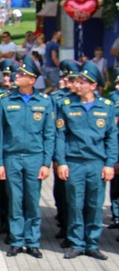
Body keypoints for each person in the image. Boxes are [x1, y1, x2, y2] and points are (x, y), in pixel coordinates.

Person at [0, 56, 55, 258]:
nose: (16, 76)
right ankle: (17, 240)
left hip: (34, 158)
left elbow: (49, 135)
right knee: (15, 200)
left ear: (32, 79)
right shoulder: (6, 101)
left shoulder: (44, 103)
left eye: (21, 74)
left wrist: (46, 163)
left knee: (32, 200)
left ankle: (32, 240)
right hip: (12, 157)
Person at [56, 61, 117, 260]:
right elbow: (61, 136)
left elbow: (111, 138)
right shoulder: (67, 105)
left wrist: (109, 164)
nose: (78, 84)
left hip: (96, 164)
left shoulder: (106, 107)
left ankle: (91, 243)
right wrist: (62, 161)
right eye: (78, 80)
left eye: (83, 81)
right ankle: (76, 243)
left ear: (93, 86)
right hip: (74, 162)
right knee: (74, 204)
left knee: (94, 204)